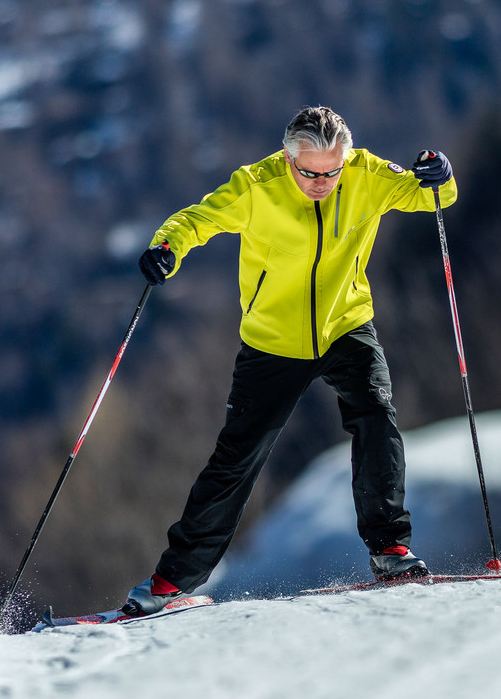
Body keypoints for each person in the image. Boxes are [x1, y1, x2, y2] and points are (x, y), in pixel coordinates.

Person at [124, 105, 456, 614]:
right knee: (238, 457)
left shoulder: (366, 175)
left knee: (376, 417)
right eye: (309, 172)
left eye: (332, 171)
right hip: (273, 341)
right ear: (287, 158)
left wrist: (440, 173)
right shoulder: (257, 186)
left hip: (345, 325)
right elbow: (195, 220)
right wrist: (166, 248)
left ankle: (391, 548)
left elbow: (433, 196)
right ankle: (171, 582)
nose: (322, 182)